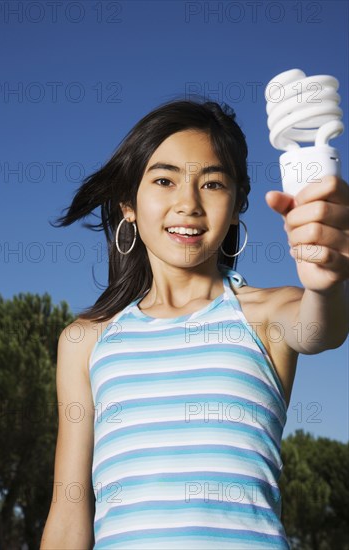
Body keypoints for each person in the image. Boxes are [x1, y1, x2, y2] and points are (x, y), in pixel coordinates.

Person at [40, 98, 348, 549]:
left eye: (213, 184)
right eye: (164, 180)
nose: (188, 204)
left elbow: (323, 328)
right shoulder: (86, 341)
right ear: (128, 202)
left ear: (238, 204)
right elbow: (68, 511)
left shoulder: (265, 314)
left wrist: (327, 282)